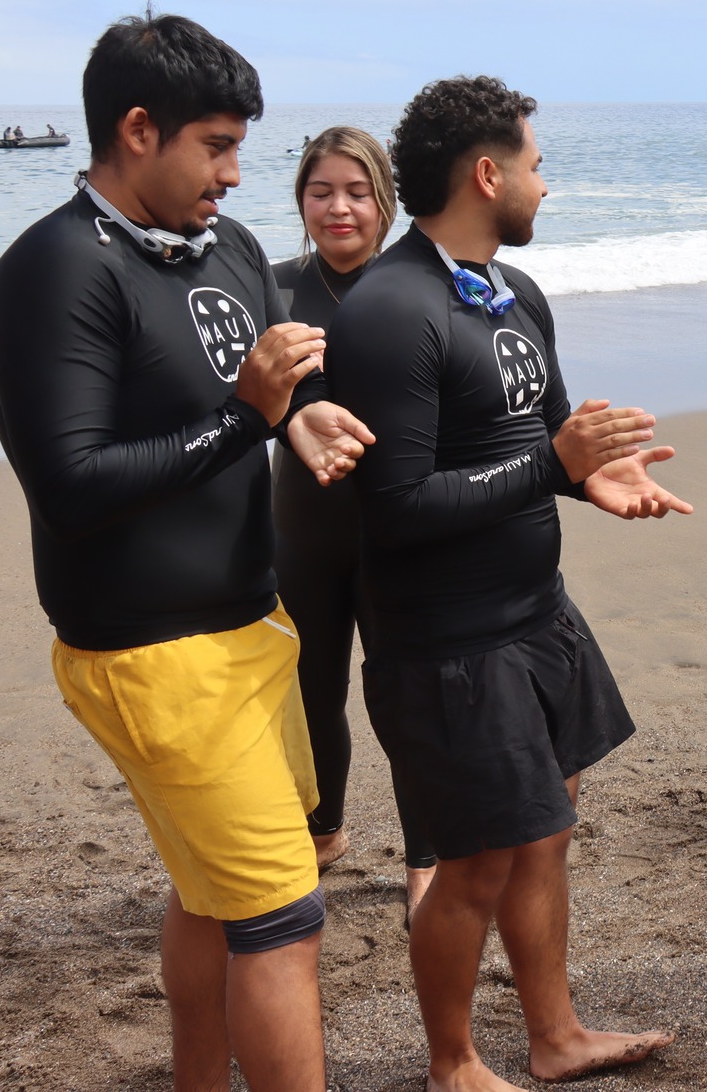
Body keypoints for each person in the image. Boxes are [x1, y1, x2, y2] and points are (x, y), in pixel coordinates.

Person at [0, 12, 372, 1092]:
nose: (237, 175)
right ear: (137, 130)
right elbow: (70, 488)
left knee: (215, 891)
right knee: (284, 917)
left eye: (242, 146)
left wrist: (299, 418)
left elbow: (254, 396)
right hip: (153, 655)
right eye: (216, 146)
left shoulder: (228, 250)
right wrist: (249, 418)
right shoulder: (53, 273)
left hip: (252, 628)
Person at [327, 77, 683, 1088]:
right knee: (476, 860)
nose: (542, 183)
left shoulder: (511, 292)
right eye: (533, 163)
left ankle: (556, 1035)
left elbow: (542, 442)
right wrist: (553, 468)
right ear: (486, 173)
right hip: (447, 643)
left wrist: (596, 479)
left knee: (543, 836)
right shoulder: (390, 313)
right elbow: (394, 505)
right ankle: (452, 1064)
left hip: (535, 616)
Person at [270, 127, 438, 916]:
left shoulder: (418, 287)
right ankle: (323, 828)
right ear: (300, 199)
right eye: (320, 191)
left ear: (386, 200)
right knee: (309, 688)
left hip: (397, 530)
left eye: (357, 191)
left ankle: (427, 856)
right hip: (300, 527)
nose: (338, 207)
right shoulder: (268, 289)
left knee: (407, 692)